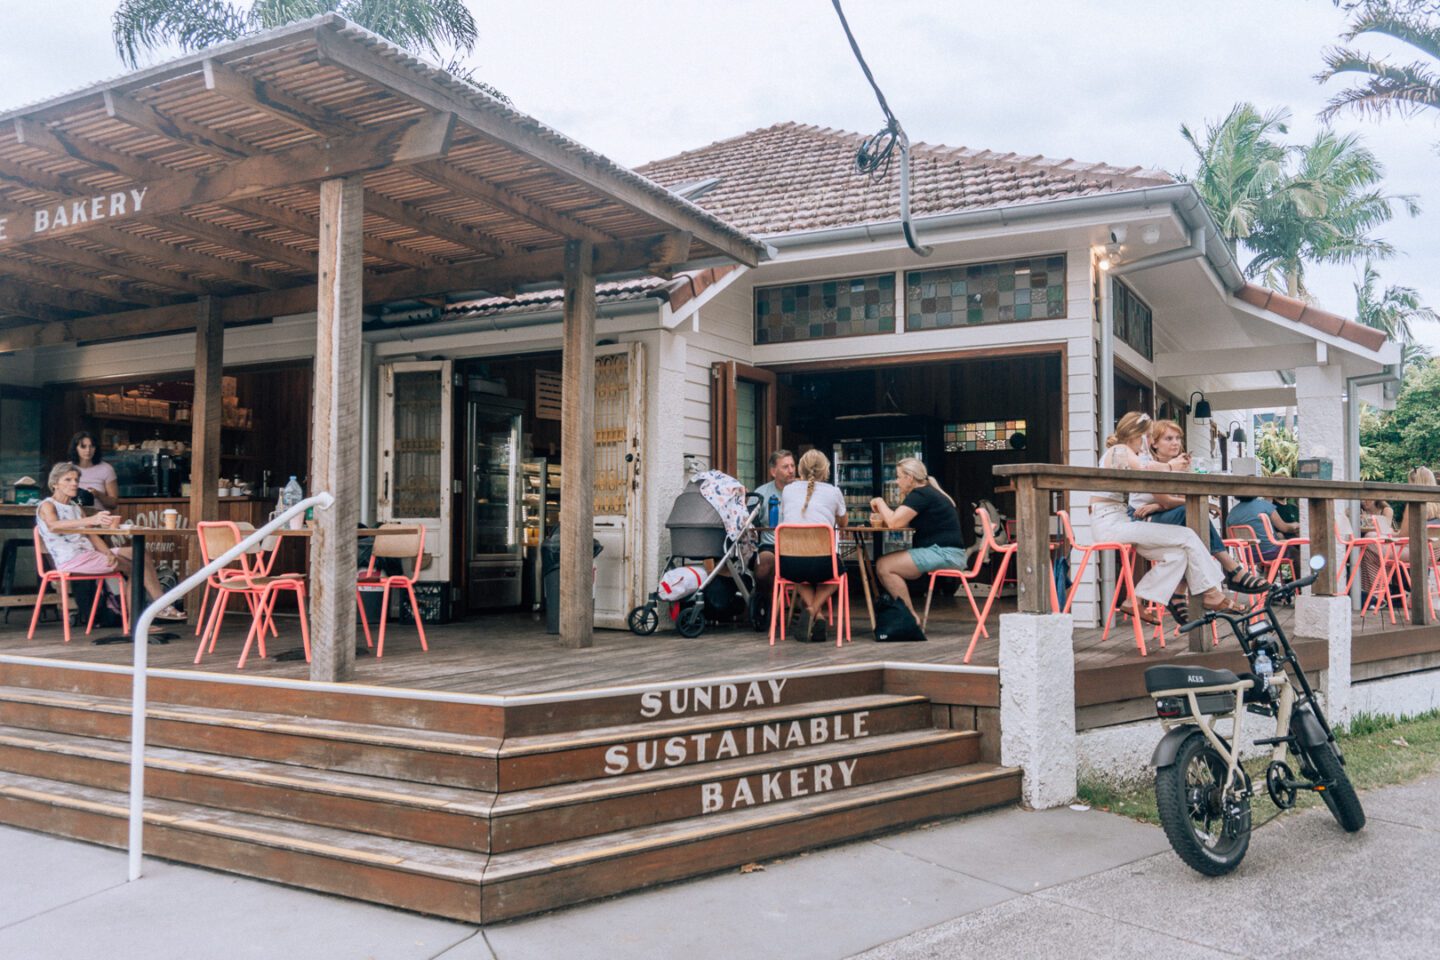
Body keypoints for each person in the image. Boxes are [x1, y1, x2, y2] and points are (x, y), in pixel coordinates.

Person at [1091, 411, 1243, 624]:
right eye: (1149, 436)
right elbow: (1144, 468)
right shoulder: (1119, 450)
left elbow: (1147, 469)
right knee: (1188, 535)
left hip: (1122, 523)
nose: (1150, 441)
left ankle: (1135, 599)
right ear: (1140, 435)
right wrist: (1172, 466)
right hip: (1109, 523)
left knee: (1177, 555)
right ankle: (1212, 592)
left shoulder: (1126, 452)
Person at [1132, 419, 1269, 594]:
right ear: (1155, 444)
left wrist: (1158, 506)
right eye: (1168, 439)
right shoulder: (1153, 465)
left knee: (1191, 525)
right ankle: (1230, 571)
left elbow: (1177, 499)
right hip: (1143, 521)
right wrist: (1166, 504)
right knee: (1189, 514)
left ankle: (1184, 593)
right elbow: (1170, 501)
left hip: (1161, 518)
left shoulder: (1178, 467)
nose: (1175, 442)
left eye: (1177, 438)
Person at [35, 462, 185, 621]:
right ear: (54, 484)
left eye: (76, 480)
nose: (74, 484)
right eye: (68, 480)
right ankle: (142, 619)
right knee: (134, 569)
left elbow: (91, 535)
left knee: (138, 553)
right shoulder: (47, 505)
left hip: (89, 554)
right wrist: (90, 520)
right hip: (71, 560)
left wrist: (107, 553)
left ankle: (159, 606)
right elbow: (53, 526)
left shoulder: (75, 507)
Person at [869, 457, 968, 620]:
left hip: (944, 553)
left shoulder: (920, 494)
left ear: (909, 478)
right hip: (948, 552)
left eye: (899, 476)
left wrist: (879, 501)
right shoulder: (928, 492)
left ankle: (909, 617)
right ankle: (906, 614)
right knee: (886, 564)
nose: (896, 481)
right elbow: (901, 521)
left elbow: (894, 522)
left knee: (884, 565)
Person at [778, 449, 847, 643]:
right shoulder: (834, 492)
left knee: (800, 575)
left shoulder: (788, 490)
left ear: (800, 468)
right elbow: (843, 523)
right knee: (838, 573)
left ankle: (815, 615)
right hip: (823, 564)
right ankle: (814, 610)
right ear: (825, 469)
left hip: (790, 564)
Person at [752, 449, 796, 603]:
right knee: (763, 567)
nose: (791, 471)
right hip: (770, 546)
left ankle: (806, 610)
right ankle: (768, 606)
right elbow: (749, 523)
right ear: (773, 471)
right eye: (785, 467)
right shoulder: (761, 493)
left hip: (799, 546)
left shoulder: (802, 491)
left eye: (792, 466)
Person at [1227, 495, 1302, 570]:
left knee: (1278, 552)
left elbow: (1230, 538)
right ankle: (1293, 580)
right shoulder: (1264, 505)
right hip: (1271, 552)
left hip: (1247, 556)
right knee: (1293, 552)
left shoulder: (1232, 513)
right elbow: (1284, 528)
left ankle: (1269, 579)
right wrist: (1296, 525)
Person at [67, 431, 118, 511]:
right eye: (83, 446)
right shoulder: (67, 468)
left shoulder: (106, 469)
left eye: (92, 446)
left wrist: (97, 494)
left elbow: (113, 503)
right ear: (75, 448)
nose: (88, 450)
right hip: (72, 517)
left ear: (96, 448)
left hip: (98, 517)